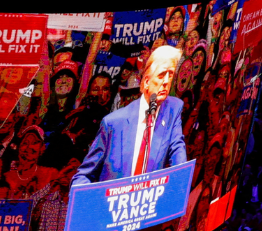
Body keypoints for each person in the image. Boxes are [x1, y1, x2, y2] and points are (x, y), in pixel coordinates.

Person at [74, 45, 188, 185]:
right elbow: (84, 175)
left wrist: (181, 180)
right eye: (161, 75)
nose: (166, 82)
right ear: (146, 82)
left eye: (170, 75)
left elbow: (177, 150)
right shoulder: (113, 123)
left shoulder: (173, 108)